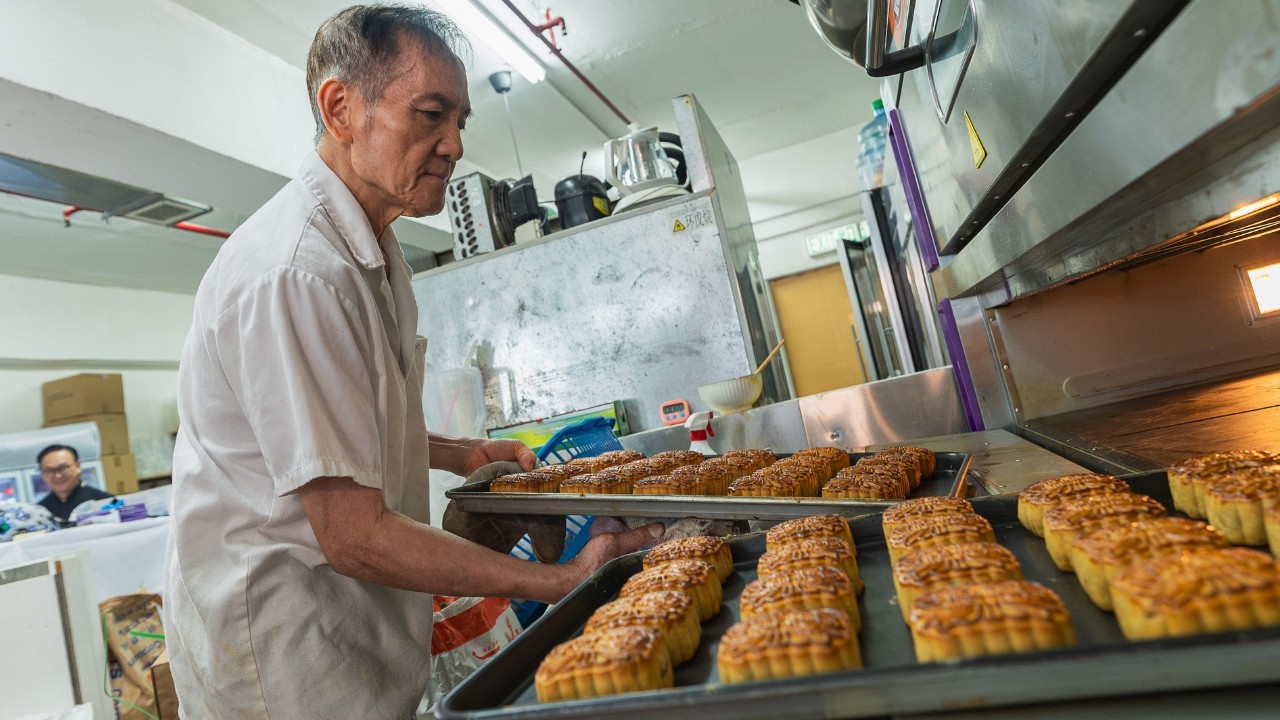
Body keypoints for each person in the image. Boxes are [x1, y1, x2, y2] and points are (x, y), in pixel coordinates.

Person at [162, 5, 660, 718]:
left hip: (353, 629)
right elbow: (355, 536)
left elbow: (332, 425)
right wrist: (560, 581)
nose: (455, 145)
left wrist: (460, 452)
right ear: (340, 107)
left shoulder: (369, 252)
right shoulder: (296, 270)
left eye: (460, 121)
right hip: (284, 652)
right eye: (431, 115)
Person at [35, 444, 114, 521]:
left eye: (63, 467)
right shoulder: (39, 512)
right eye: (49, 470)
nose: (58, 476)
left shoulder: (108, 502)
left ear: (78, 466)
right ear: (42, 474)